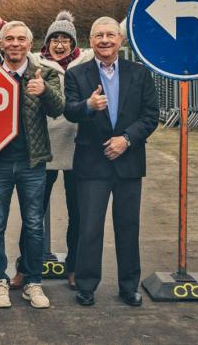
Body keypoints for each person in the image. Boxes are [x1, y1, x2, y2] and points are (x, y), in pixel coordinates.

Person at [64, 16, 159, 307]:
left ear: (120, 40)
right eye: (98, 36)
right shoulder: (76, 74)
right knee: (90, 227)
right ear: (90, 41)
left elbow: (150, 116)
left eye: (110, 35)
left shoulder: (140, 74)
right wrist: (88, 106)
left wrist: (127, 140)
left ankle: (129, 286)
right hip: (92, 163)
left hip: (128, 161)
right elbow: (69, 111)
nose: (105, 40)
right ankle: (87, 285)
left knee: (128, 227)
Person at [0, 21, 64, 309]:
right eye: (9, 39)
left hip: (32, 163)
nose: (15, 44)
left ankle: (33, 282)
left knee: (33, 225)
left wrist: (45, 92)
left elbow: (58, 109)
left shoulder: (45, 73)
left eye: (21, 39)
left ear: (29, 44)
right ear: (1, 44)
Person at [10, 11, 94, 291]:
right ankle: (24, 268)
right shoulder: (36, 61)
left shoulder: (86, 60)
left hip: (77, 147)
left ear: (74, 42)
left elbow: (112, 37)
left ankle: (74, 266)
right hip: (43, 147)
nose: (60, 45)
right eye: (55, 39)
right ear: (47, 43)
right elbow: (15, 45)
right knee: (33, 214)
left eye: (65, 39)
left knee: (78, 213)